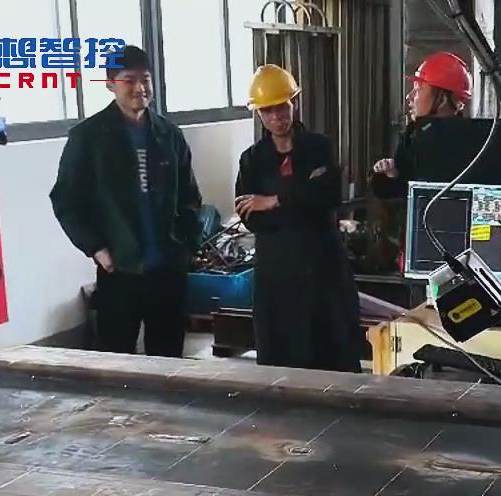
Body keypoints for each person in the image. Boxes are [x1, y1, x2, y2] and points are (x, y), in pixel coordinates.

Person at [50, 45, 203, 358]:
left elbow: (190, 197)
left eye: (145, 79)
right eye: (129, 80)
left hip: (167, 271)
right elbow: (66, 200)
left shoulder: (169, 135)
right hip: (119, 270)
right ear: (110, 84)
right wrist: (96, 248)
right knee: (115, 362)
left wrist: (186, 247)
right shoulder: (89, 137)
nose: (140, 88)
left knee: (169, 361)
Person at [234, 64, 363, 372]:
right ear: (259, 114)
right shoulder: (252, 160)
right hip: (277, 272)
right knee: (281, 358)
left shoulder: (318, 147)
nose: (277, 116)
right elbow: (252, 217)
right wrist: (303, 198)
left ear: (293, 103)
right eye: (268, 110)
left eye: (282, 107)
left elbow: (329, 195)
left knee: (333, 349)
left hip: (323, 266)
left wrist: (274, 201)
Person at [371, 51, 501, 200]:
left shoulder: (479, 143)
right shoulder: (412, 137)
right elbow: (400, 195)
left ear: (442, 99)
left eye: (418, 89)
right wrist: (391, 175)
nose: (409, 96)